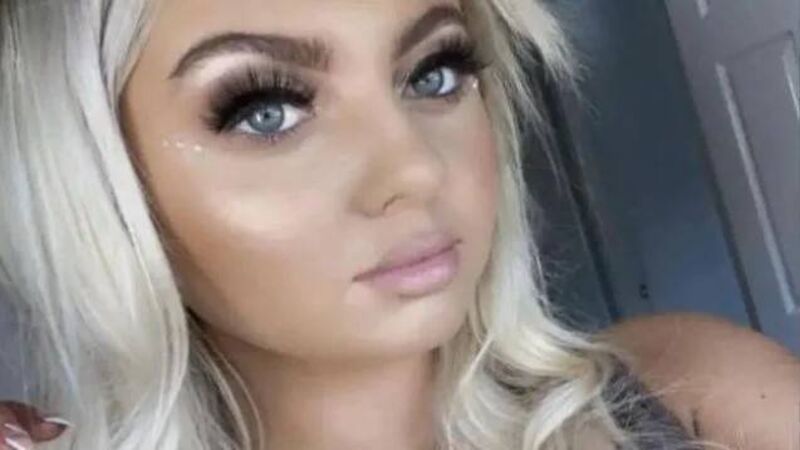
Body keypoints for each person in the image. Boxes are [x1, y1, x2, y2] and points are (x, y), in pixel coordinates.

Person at [0, 0, 798, 449]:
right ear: (103, 189)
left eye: (434, 72)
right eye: (266, 110)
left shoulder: (696, 393)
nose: (415, 167)